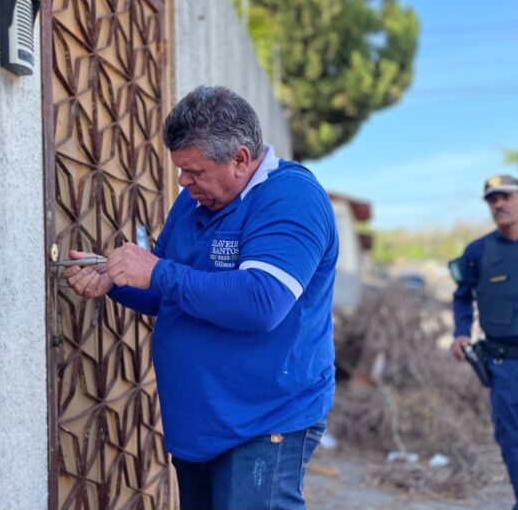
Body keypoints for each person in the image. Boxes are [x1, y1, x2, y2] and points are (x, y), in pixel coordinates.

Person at [63, 86, 338, 509]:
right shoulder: (192, 202)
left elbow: (262, 302)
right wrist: (114, 279)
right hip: (200, 424)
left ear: (241, 159)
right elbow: (170, 293)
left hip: (264, 420)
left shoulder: (291, 198)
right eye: (181, 170)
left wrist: (155, 269)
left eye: (194, 171)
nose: (182, 182)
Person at [449, 174, 518, 510]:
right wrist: (461, 331)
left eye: (506, 196)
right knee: (516, 446)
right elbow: (462, 296)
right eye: (492, 199)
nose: (499, 204)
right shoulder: (478, 251)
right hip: (505, 366)